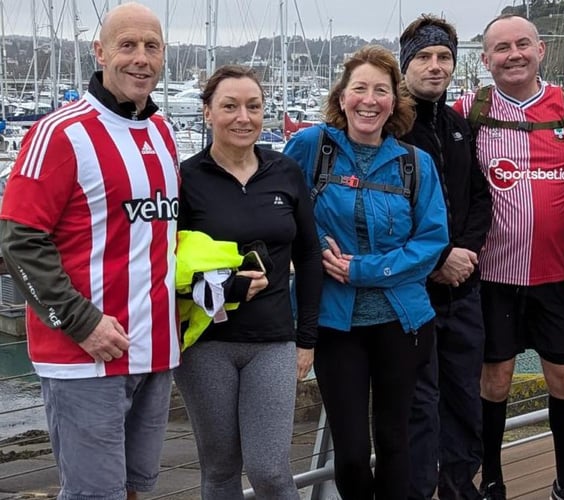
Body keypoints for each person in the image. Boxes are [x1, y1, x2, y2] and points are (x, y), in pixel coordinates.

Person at [0, 3, 179, 499]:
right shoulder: (59, 133)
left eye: (151, 46)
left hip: (155, 352)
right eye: (127, 45)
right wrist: (81, 322)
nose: (140, 58)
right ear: (99, 52)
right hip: (84, 356)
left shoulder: (163, 132)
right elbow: (18, 241)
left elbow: (158, 238)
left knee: (135, 489)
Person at [284, 44, 449, 500]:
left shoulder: (416, 164)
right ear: (342, 97)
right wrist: (311, 251)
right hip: (335, 323)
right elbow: (279, 210)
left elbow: (432, 242)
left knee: (397, 442)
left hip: (403, 321)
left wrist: (362, 269)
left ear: (395, 102)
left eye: (381, 90)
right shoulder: (309, 148)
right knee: (353, 451)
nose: (369, 100)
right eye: (360, 88)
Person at [174, 64, 322, 499]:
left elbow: (309, 255)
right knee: (220, 471)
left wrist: (307, 338)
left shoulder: (286, 172)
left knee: (270, 471)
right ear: (207, 113)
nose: (244, 117)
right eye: (230, 106)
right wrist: (225, 285)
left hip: (274, 340)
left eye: (254, 106)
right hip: (206, 344)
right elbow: (165, 265)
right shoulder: (185, 178)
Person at [453, 15, 564, 500]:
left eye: (522, 44)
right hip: (493, 276)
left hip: (557, 275)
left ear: (541, 49)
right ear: (485, 59)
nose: (513, 54)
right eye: (501, 48)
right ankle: (491, 476)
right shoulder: (469, 108)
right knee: (496, 379)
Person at [398, 15, 492, 500]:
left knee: (463, 396)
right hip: (413, 291)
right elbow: (387, 215)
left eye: (444, 58)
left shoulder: (458, 124)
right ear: (405, 63)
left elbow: (480, 197)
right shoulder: (392, 126)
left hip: (464, 288)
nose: (435, 67)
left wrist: (466, 252)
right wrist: (437, 260)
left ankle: (460, 486)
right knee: (418, 402)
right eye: (424, 57)